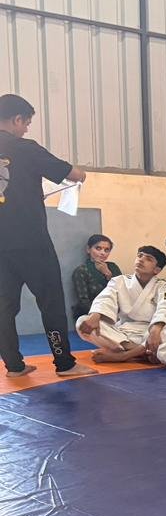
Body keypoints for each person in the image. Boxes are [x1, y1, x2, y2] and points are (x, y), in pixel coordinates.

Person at [0, 93, 95, 377]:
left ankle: (13, 366)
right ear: (17, 119)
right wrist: (82, 175)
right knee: (50, 301)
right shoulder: (24, 148)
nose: (26, 129)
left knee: (4, 306)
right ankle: (64, 363)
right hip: (30, 240)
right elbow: (74, 174)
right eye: (26, 123)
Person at [75, 247, 166, 363]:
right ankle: (140, 351)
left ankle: (124, 355)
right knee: (82, 322)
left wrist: (155, 330)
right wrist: (95, 315)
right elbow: (105, 298)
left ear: (157, 270)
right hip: (122, 335)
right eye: (140, 256)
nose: (141, 260)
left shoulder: (164, 286)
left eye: (148, 259)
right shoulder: (119, 281)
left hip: (152, 334)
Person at [70, 234, 122, 319]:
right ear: (88, 249)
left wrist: (108, 274)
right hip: (91, 314)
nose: (102, 253)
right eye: (98, 248)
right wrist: (103, 314)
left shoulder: (113, 267)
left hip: (115, 312)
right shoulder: (81, 271)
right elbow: (84, 302)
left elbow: (122, 293)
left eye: (106, 250)